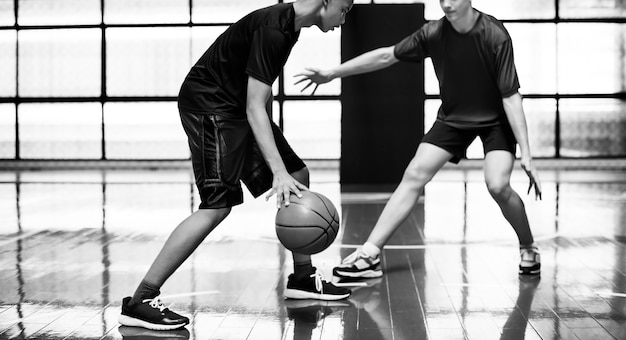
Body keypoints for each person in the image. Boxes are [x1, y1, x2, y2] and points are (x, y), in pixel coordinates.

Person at [118, 0, 354, 331]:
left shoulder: (290, 27)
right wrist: (276, 171)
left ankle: (302, 278)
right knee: (217, 206)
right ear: (325, 1)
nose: (344, 19)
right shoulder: (273, 29)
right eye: (344, 9)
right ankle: (140, 300)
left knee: (297, 174)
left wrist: (279, 163)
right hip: (210, 105)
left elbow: (259, 95)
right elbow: (255, 104)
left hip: (236, 108)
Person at [296, 0, 542, 280]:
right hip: (453, 119)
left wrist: (527, 154)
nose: (447, 4)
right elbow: (387, 56)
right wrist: (332, 72)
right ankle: (370, 254)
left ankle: (528, 246)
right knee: (414, 174)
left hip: (496, 120)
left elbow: (510, 96)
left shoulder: (494, 34)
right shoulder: (434, 33)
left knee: (497, 185)